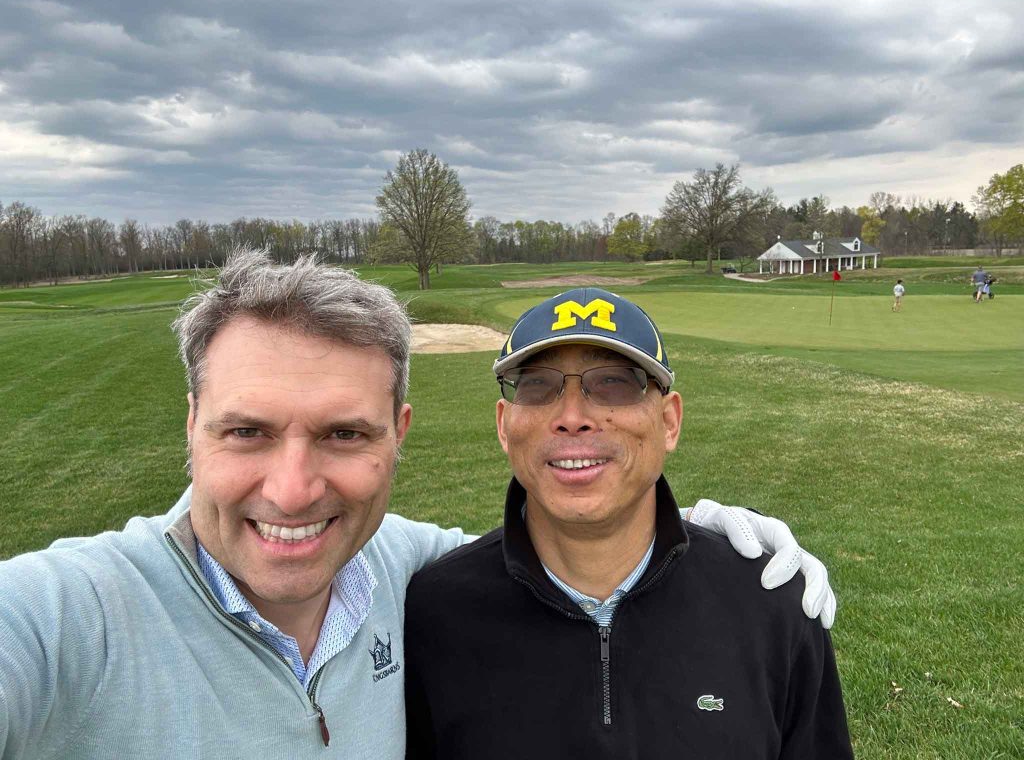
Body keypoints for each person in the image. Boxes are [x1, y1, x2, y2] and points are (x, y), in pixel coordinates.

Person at [0, 253, 836, 759]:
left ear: (398, 434)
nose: (292, 490)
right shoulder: (68, 615)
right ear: (191, 427)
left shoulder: (406, 570)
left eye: (342, 435)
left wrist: (709, 542)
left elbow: (566, 560)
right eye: (248, 432)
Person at [405, 287, 854, 759]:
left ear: (669, 422)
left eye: (614, 383)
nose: (572, 417)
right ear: (504, 425)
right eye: (537, 385)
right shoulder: (433, 614)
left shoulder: (776, 604)